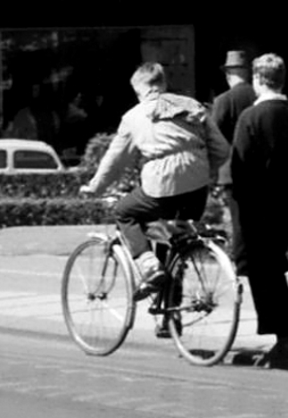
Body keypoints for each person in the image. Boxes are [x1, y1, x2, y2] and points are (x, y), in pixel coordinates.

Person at [81, 62, 227, 297]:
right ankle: (168, 316)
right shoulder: (192, 106)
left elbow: (115, 161)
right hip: (198, 188)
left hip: (162, 186)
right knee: (175, 243)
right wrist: (202, 171)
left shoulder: (134, 116)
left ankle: (148, 265)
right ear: (163, 83)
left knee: (123, 211)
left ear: (140, 89)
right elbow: (221, 149)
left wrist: (95, 187)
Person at [227, 53, 288, 368]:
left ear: (258, 80)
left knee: (258, 266)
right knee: (272, 263)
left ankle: (282, 330)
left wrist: (238, 204)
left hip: (256, 205)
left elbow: (240, 167)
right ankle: (284, 326)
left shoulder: (250, 118)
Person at [207, 50, 257, 250]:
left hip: (232, 170)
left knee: (239, 224)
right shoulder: (260, 96)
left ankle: (242, 263)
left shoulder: (223, 100)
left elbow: (213, 136)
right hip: (259, 169)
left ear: (228, 74)